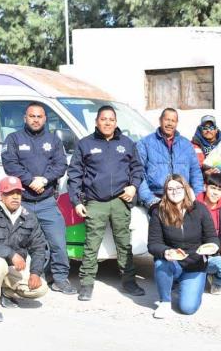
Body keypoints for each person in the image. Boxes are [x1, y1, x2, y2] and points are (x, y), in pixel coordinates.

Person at [67, 105, 145, 301]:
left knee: (124, 243)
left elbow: (137, 169)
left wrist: (133, 187)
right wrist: (76, 201)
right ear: (96, 122)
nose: (107, 123)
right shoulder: (85, 144)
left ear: (116, 122)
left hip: (121, 200)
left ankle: (129, 281)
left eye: (111, 119)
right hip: (95, 201)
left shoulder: (127, 143)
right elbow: (74, 174)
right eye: (103, 119)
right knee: (92, 244)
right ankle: (86, 284)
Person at [1, 102, 75, 295]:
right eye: (32, 116)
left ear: (45, 119)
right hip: (21, 202)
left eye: (39, 116)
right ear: (25, 118)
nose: (35, 119)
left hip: (47, 202)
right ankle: (12, 280)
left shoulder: (54, 140)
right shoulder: (14, 139)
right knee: (14, 242)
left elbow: (61, 164)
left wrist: (45, 179)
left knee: (58, 241)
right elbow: (10, 165)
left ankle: (59, 278)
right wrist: (30, 180)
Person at [0, 176, 48, 323]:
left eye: (18, 193)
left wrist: (35, 273)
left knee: (41, 288)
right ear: (0, 195)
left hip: (11, 271)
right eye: (10, 193)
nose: (15, 197)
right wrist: (11, 254)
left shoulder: (29, 217)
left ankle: (4, 291)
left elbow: (38, 247)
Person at [148, 175, 220, 318]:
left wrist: (212, 247)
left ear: (185, 188)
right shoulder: (159, 211)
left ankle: (187, 285)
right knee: (160, 263)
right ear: (166, 192)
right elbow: (153, 244)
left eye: (178, 187)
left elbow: (212, 237)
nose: (175, 191)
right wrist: (166, 251)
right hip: (173, 262)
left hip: (195, 263)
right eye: (170, 189)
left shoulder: (200, 209)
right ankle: (165, 302)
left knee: (188, 308)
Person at [138, 108, 204, 208]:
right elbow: (138, 172)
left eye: (173, 121)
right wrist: (150, 199)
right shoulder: (145, 143)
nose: (170, 123)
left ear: (177, 123)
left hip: (182, 198)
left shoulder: (186, 145)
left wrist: (197, 197)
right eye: (167, 119)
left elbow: (195, 172)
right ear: (160, 120)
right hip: (157, 197)